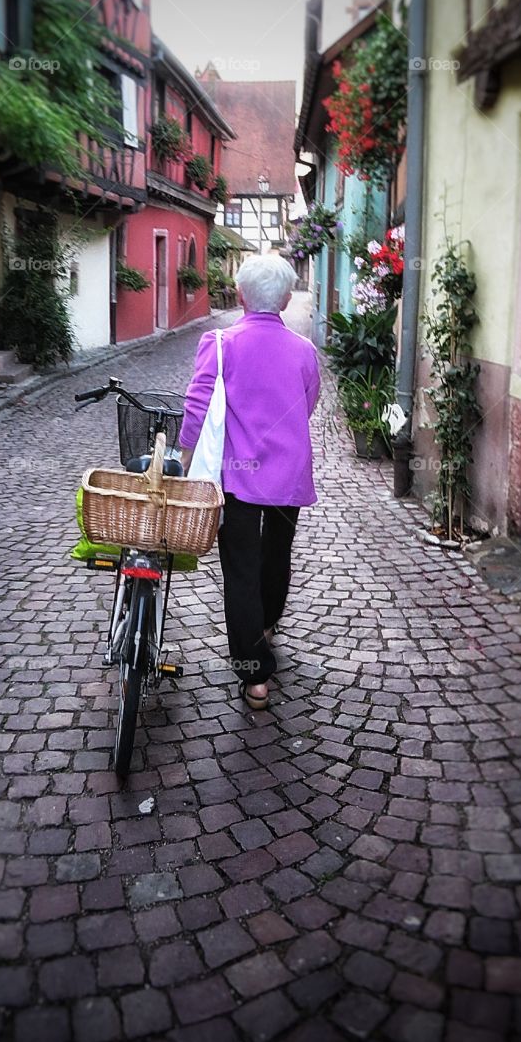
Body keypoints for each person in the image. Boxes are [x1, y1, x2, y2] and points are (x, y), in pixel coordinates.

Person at [179, 254, 320, 710]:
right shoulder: (304, 351)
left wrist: (184, 461)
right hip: (287, 472)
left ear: (239, 296)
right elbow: (309, 401)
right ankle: (266, 626)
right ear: (283, 299)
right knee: (277, 555)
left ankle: (254, 677)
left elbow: (197, 406)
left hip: (236, 477)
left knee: (240, 570)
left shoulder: (220, 343)